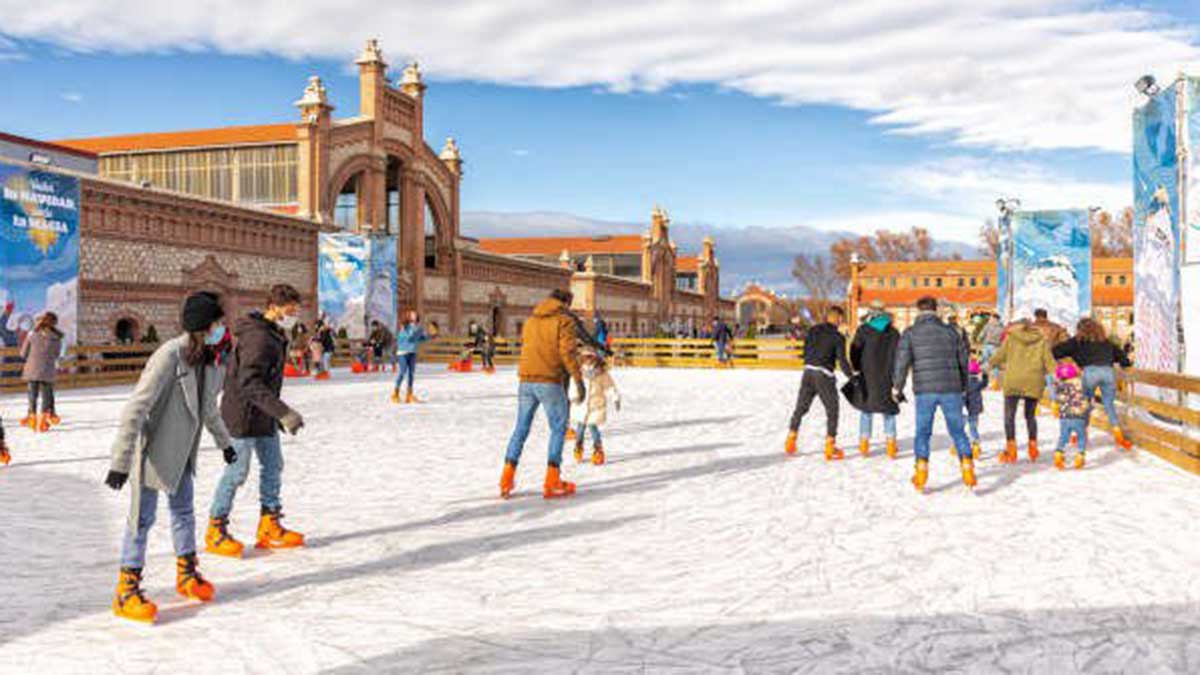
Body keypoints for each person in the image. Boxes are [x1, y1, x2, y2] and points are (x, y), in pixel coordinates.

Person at [105, 291, 234, 623]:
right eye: (218, 322)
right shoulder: (170, 355)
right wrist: (120, 461)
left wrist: (225, 443)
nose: (223, 327)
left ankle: (186, 573)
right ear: (204, 326)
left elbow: (208, 408)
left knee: (184, 513)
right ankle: (126, 589)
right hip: (152, 451)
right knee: (142, 519)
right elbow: (137, 406)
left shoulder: (211, 360)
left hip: (183, 452)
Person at [206, 284, 307, 558]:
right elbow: (249, 383)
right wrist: (283, 412)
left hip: (263, 414)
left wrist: (275, 413)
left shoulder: (273, 333)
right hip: (241, 415)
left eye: (296, 310)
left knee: (273, 465)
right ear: (274, 307)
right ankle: (216, 528)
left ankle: (269, 524)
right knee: (237, 472)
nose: (294, 315)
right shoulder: (258, 337)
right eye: (290, 310)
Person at [499, 288, 583, 500]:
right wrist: (578, 379)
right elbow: (567, 353)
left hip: (526, 380)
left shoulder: (531, 320)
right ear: (566, 303)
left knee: (521, 428)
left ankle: (506, 478)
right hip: (549, 380)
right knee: (558, 427)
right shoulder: (564, 321)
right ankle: (552, 478)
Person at [893, 296, 975, 492]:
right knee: (957, 430)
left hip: (925, 390)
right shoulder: (952, 332)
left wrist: (897, 387)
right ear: (936, 310)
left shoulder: (910, 333)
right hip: (951, 388)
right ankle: (967, 466)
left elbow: (901, 362)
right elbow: (964, 361)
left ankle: (921, 470)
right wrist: (964, 385)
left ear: (918, 311)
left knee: (923, 432)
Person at [1052, 317, 1134, 449]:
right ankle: (1118, 433)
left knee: (1086, 404)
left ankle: (1081, 433)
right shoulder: (1106, 342)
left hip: (1090, 372)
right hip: (1108, 372)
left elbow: (1056, 351)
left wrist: (1067, 360)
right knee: (1109, 405)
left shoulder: (1077, 342)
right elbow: (1123, 359)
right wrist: (1126, 364)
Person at [784, 306, 853, 460]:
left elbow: (804, 351)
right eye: (842, 319)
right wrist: (851, 377)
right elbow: (842, 361)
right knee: (832, 409)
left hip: (808, 371)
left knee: (801, 407)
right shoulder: (838, 337)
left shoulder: (813, 330)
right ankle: (830, 445)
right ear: (839, 318)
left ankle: (791, 437)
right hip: (823, 374)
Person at [988, 318, 1057, 464]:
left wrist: (988, 364)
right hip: (1034, 380)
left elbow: (998, 356)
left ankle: (1011, 449)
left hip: (1013, 379)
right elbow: (1049, 362)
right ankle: (1032, 447)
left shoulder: (1011, 338)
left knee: (1009, 416)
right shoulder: (1041, 341)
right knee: (1030, 416)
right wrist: (1059, 375)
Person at [849, 302, 900, 459]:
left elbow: (854, 350)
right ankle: (891, 444)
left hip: (867, 375)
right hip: (888, 375)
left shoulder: (864, 330)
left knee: (866, 408)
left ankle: (864, 443)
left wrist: (856, 368)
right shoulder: (894, 333)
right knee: (888, 409)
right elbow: (900, 355)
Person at [570, 349, 621, 466]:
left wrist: (615, 398)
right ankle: (578, 446)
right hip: (581, 404)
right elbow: (573, 385)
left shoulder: (602, 373)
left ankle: (598, 450)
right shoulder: (578, 372)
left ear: (595, 358)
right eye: (585, 357)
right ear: (582, 359)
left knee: (593, 429)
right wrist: (573, 396)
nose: (588, 360)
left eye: (590, 357)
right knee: (580, 429)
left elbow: (609, 387)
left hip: (595, 406)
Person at [19, 312, 64, 432]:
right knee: (46, 396)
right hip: (48, 370)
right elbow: (57, 354)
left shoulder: (32, 335)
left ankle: (32, 419)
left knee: (32, 395)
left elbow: (23, 353)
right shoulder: (57, 337)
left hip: (32, 369)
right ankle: (43, 422)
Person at [1052, 361, 1091, 470]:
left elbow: (1058, 400)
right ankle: (1080, 455)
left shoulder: (1059, 387)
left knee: (1064, 436)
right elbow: (1085, 399)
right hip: (1078, 416)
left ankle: (1058, 453)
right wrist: (1086, 407)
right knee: (1081, 436)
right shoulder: (1080, 385)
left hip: (1064, 416)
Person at [392, 310, 437, 403]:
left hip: (412, 352)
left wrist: (430, 336)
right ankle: (395, 393)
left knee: (411, 374)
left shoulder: (417, 328)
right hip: (403, 352)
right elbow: (409, 338)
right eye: (412, 314)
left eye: (415, 314)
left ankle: (409, 395)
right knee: (403, 371)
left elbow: (421, 339)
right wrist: (418, 331)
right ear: (408, 316)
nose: (414, 315)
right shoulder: (404, 327)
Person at [963, 358, 989, 459]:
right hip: (975, 410)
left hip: (966, 410)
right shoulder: (978, 383)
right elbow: (985, 383)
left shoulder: (964, 384)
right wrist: (985, 375)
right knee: (973, 428)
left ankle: (962, 444)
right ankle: (976, 444)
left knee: (961, 427)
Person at [979, 314, 1005, 387]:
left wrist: (980, 338)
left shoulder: (988, 326)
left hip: (989, 345)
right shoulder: (1001, 327)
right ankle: (994, 381)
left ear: (995, 319)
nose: (990, 320)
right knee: (994, 363)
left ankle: (986, 380)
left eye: (991, 319)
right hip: (995, 346)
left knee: (986, 362)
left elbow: (981, 334)